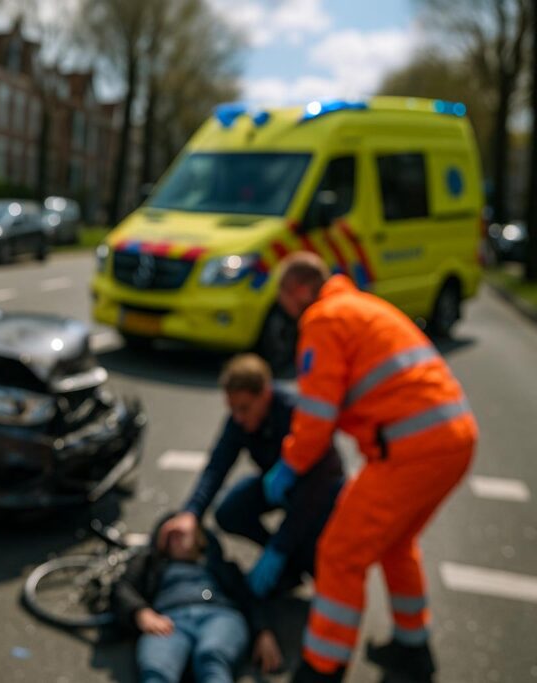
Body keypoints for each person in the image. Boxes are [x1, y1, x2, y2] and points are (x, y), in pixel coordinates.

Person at [264, 252, 477, 682]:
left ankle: (322, 667)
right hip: (452, 438)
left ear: (300, 289)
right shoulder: (362, 306)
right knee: (397, 543)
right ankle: (412, 648)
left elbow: (317, 413)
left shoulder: (322, 319)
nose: (283, 307)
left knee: (340, 553)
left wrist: (291, 463)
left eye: (283, 296)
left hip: (411, 449)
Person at [157, 354, 344, 599]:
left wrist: (280, 546)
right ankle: (286, 568)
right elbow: (217, 466)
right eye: (232, 409)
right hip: (277, 484)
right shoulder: (239, 420)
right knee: (230, 511)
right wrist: (191, 512)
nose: (238, 418)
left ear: (264, 394)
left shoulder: (297, 415)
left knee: (316, 561)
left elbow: (313, 492)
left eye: (244, 408)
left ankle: (296, 566)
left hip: (319, 494)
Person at [112, 516, 284, 683]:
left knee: (212, 658)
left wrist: (263, 631)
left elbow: (248, 596)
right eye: (172, 535)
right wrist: (139, 612)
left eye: (185, 533)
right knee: (157, 670)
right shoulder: (151, 565)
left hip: (220, 616)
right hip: (168, 621)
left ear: (201, 538)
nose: (179, 538)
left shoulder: (219, 565)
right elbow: (123, 588)